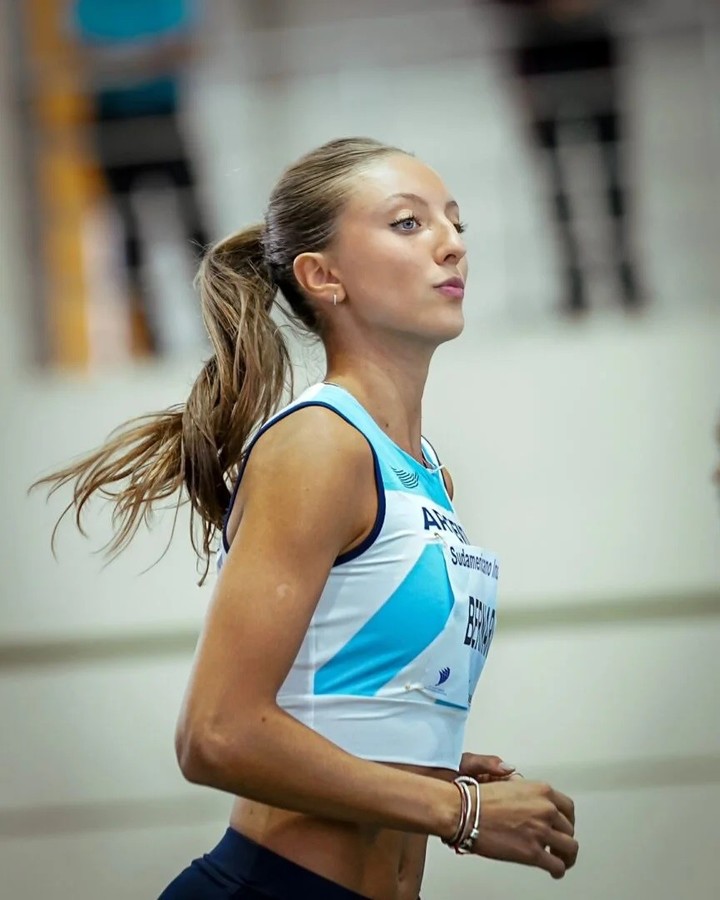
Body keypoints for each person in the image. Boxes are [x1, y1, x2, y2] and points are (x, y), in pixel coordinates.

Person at [35, 137, 578, 899]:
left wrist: (426, 761)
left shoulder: (426, 469)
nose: (453, 244)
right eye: (409, 224)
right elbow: (215, 735)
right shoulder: (320, 444)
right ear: (323, 277)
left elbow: (330, 695)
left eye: (455, 223)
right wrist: (457, 810)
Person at [69, 0, 211, 354]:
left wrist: (123, 61)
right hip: (112, 124)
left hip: (164, 117)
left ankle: (217, 324)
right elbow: (84, 58)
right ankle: (150, 340)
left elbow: (184, 48)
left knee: (193, 228)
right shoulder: (88, 6)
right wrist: (150, 58)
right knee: (129, 237)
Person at [489, 0, 644, 314]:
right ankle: (574, 281)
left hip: (592, 48)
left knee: (612, 169)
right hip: (539, 52)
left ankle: (625, 273)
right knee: (554, 175)